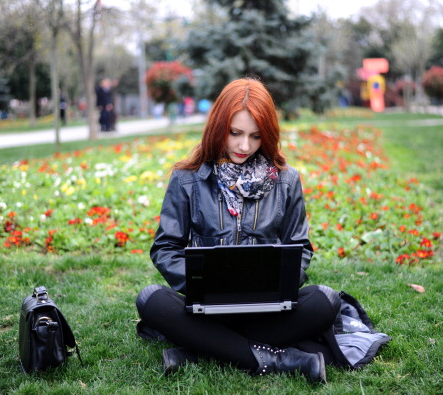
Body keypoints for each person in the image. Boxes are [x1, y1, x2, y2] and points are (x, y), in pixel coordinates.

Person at [135, 78, 343, 383]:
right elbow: (165, 247)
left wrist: (273, 282)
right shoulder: (186, 179)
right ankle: (279, 359)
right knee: (150, 298)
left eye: (255, 136)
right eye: (235, 133)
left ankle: (200, 349)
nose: (244, 146)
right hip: (206, 307)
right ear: (219, 127)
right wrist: (202, 284)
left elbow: (300, 248)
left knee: (326, 300)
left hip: (267, 308)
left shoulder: (287, 180)